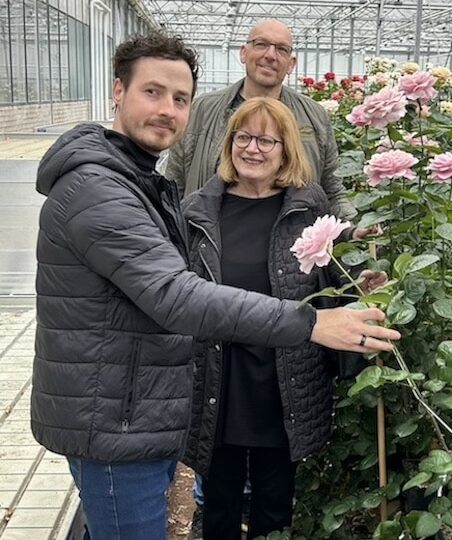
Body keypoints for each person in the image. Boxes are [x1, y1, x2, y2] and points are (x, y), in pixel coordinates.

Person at [30, 32, 400, 540]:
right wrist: (311, 322)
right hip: (117, 418)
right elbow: (177, 294)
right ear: (118, 91)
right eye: (152, 92)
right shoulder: (104, 190)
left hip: (140, 407)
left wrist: (355, 282)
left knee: (267, 500)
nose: (167, 110)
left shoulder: (142, 182)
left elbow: (326, 270)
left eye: (179, 98)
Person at [182, 97, 388, 540]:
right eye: (244, 137)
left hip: (284, 380)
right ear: (229, 144)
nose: (252, 149)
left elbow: (336, 278)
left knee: (274, 507)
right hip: (219, 378)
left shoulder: (307, 211)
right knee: (218, 504)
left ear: (285, 149)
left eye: (265, 140)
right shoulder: (198, 212)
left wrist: (361, 282)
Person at [166, 18, 357, 222]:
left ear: (291, 64)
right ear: (243, 52)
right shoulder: (201, 110)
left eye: (282, 49)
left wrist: (354, 228)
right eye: (261, 44)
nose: (270, 55)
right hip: (209, 243)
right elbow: (172, 188)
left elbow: (333, 190)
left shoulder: (314, 116)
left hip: (289, 243)